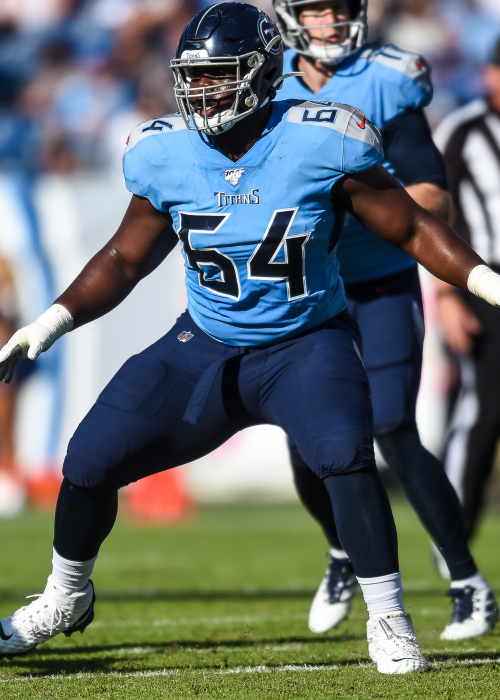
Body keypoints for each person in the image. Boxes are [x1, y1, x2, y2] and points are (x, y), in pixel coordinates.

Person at [0, 1, 499, 674]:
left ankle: (389, 616)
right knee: (89, 459)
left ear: (261, 74)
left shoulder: (323, 138)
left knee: (343, 454)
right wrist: (50, 321)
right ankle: (66, 595)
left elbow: (410, 227)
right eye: (193, 77)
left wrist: (486, 282)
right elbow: (122, 259)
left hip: (306, 341)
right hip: (206, 345)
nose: (202, 91)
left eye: (219, 75)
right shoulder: (166, 152)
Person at [273, 0, 498, 640]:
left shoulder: (386, 79)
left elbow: (432, 192)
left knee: (394, 427)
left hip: (378, 279)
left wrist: (351, 211)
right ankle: (341, 551)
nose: (330, 22)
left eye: (339, 9)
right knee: (306, 444)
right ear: (292, 17)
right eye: (316, 10)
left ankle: (467, 581)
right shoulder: (266, 84)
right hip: (307, 291)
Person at [433, 37, 500, 547]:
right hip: (485, 282)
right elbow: (432, 220)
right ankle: (453, 538)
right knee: (485, 409)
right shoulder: (463, 131)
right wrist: (448, 297)